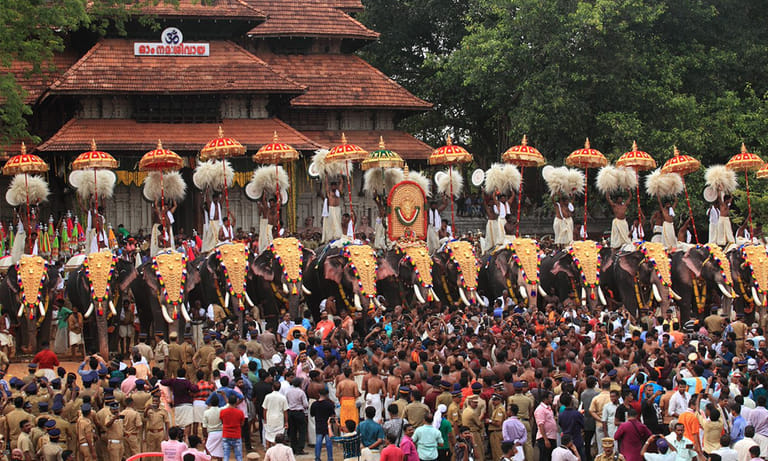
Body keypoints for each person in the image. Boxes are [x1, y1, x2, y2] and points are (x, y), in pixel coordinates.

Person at [284, 377, 308, 454]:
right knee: (302, 431)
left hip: (290, 412)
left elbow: (286, 401)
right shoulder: (301, 392)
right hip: (299, 412)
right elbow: (305, 404)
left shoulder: (288, 392)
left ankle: (293, 447)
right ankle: (300, 448)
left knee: (292, 431)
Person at [310, 388, 335, 461]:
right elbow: (332, 415)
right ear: (327, 394)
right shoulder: (329, 404)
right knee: (329, 443)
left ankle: (317, 458)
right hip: (328, 425)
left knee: (318, 442)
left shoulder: (314, 404)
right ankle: (330, 458)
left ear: (319, 394)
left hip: (319, 425)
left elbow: (312, 414)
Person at [263, 381, 288, 448]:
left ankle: (268, 452)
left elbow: (265, 409)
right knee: (278, 437)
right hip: (279, 420)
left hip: (269, 418)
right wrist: (286, 422)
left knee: (268, 436)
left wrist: (265, 419)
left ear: (272, 388)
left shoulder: (268, 396)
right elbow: (285, 411)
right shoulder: (283, 398)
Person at [220, 394, 244, 461]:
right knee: (239, 456)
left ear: (228, 401)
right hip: (236, 434)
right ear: (236, 402)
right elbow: (242, 423)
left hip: (226, 434)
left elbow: (222, 421)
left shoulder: (223, 412)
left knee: (226, 455)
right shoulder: (240, 412)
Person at [536, 391, 558, 461]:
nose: (552, 399)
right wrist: (546, 439)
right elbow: (541, 425)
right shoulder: (540, 410)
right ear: (545, 399)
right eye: (550, 398)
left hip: (551, 437)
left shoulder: (549, 408)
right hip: (545, 438)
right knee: (544, 457)